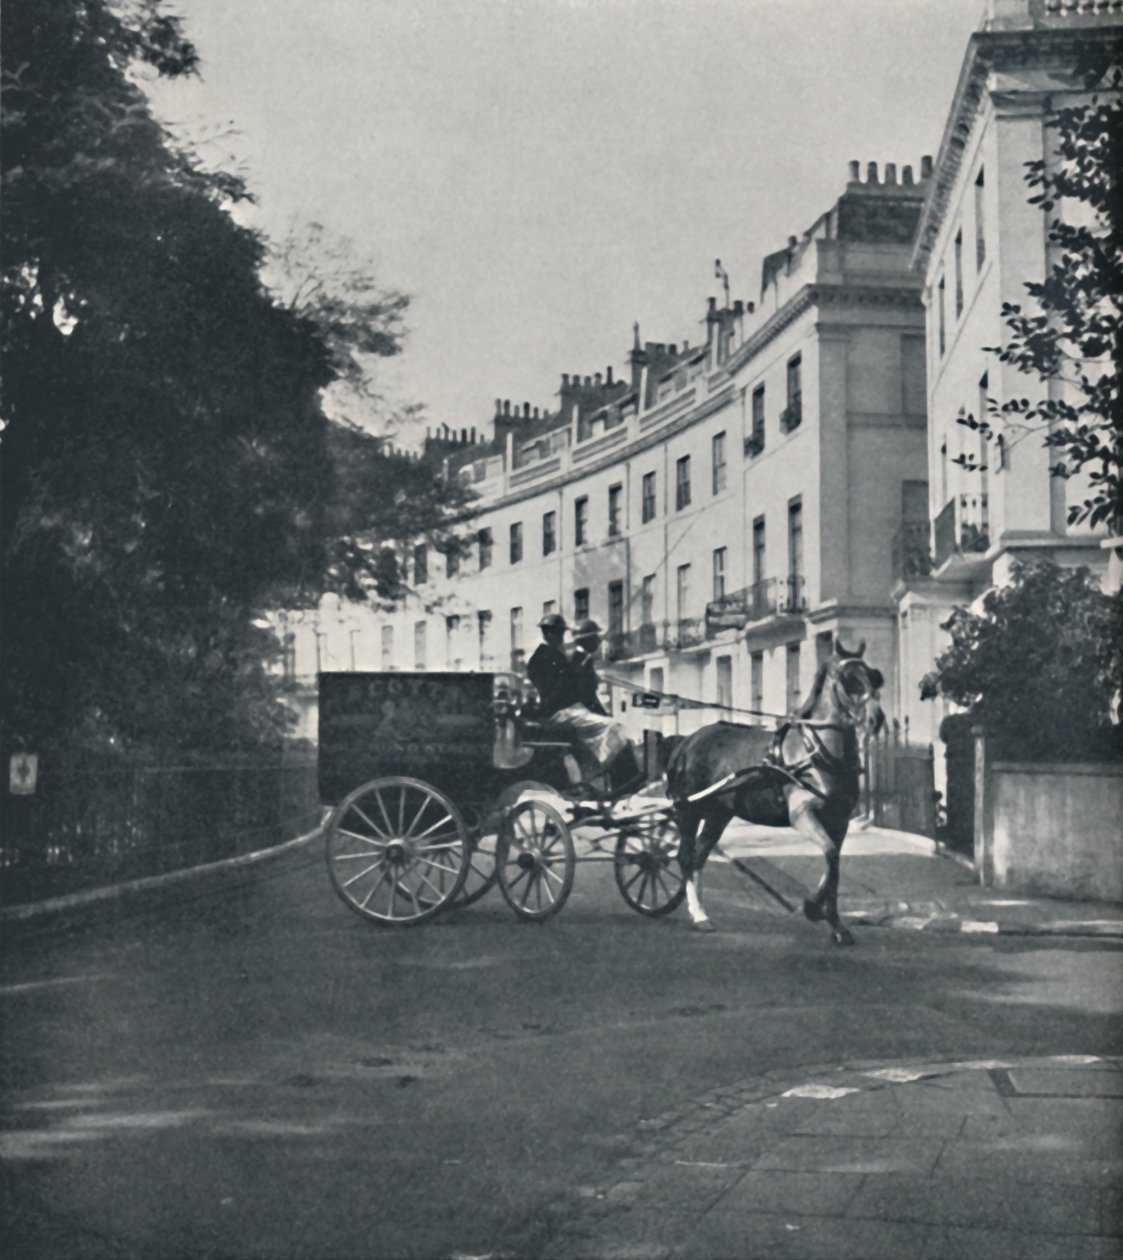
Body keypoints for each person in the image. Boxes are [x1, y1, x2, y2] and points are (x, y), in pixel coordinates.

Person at [553, 619, 645, 795]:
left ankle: (623, 778)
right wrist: (602, 715)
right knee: (616, 730)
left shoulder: (584, 660)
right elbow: (580, 695)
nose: (599, 641)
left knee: (618, 730)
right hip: (575, 713)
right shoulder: (576, 661)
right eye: (596, 638)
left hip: (583, 711)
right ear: (586, 640)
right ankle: (622, 779)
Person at [526, 612, 574, 717]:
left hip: (559, 709)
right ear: (549, 634)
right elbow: (551, 688)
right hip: (555, 711)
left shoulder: (551, 654)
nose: (562, 638)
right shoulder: (542, 657)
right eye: (560, 633)